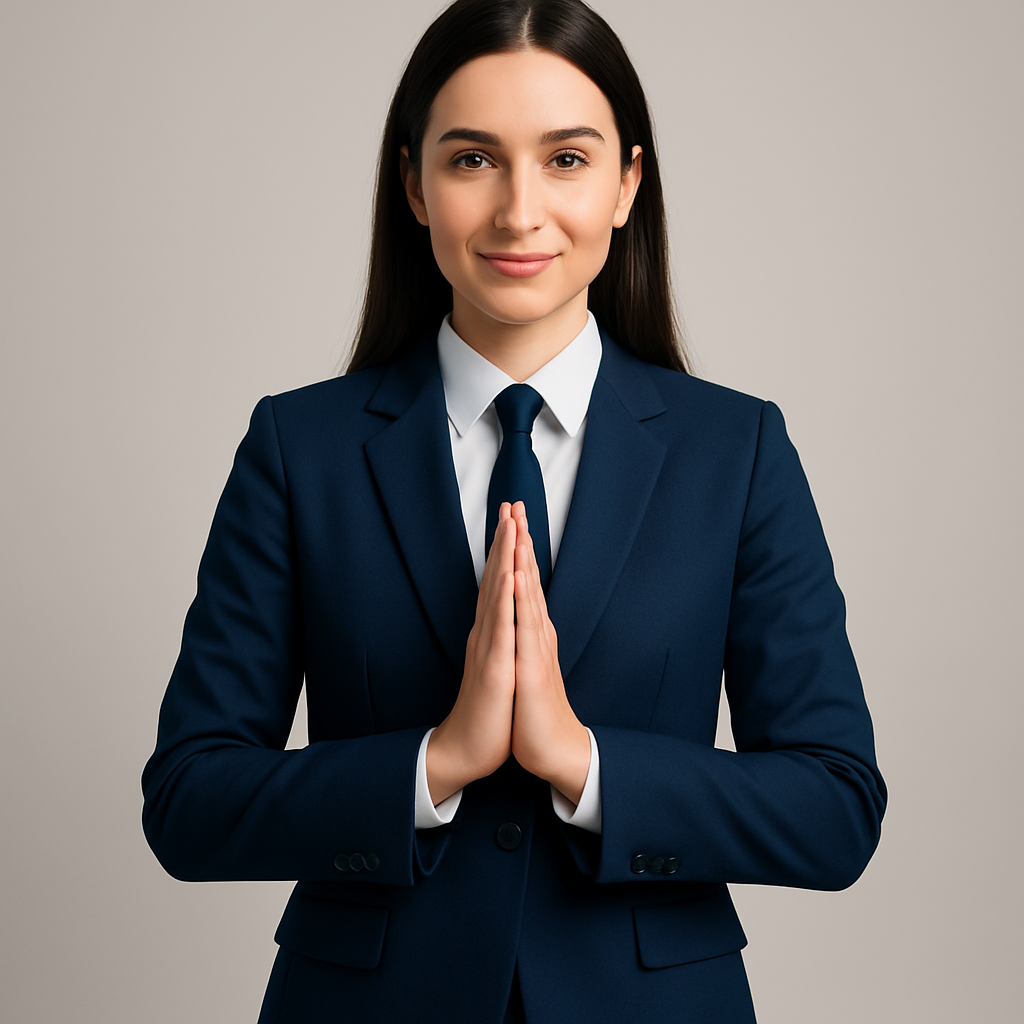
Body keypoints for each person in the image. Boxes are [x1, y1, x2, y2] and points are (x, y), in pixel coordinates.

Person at [141, 1, 886, 1021]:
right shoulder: (297, 449)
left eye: (567, 160)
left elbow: (835, 808)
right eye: (472, 160)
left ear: (628, 182)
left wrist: (580, 761)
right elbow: (189, 800)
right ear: (413, 183)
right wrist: (435, 761)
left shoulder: (736, 453)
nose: (519, 212)